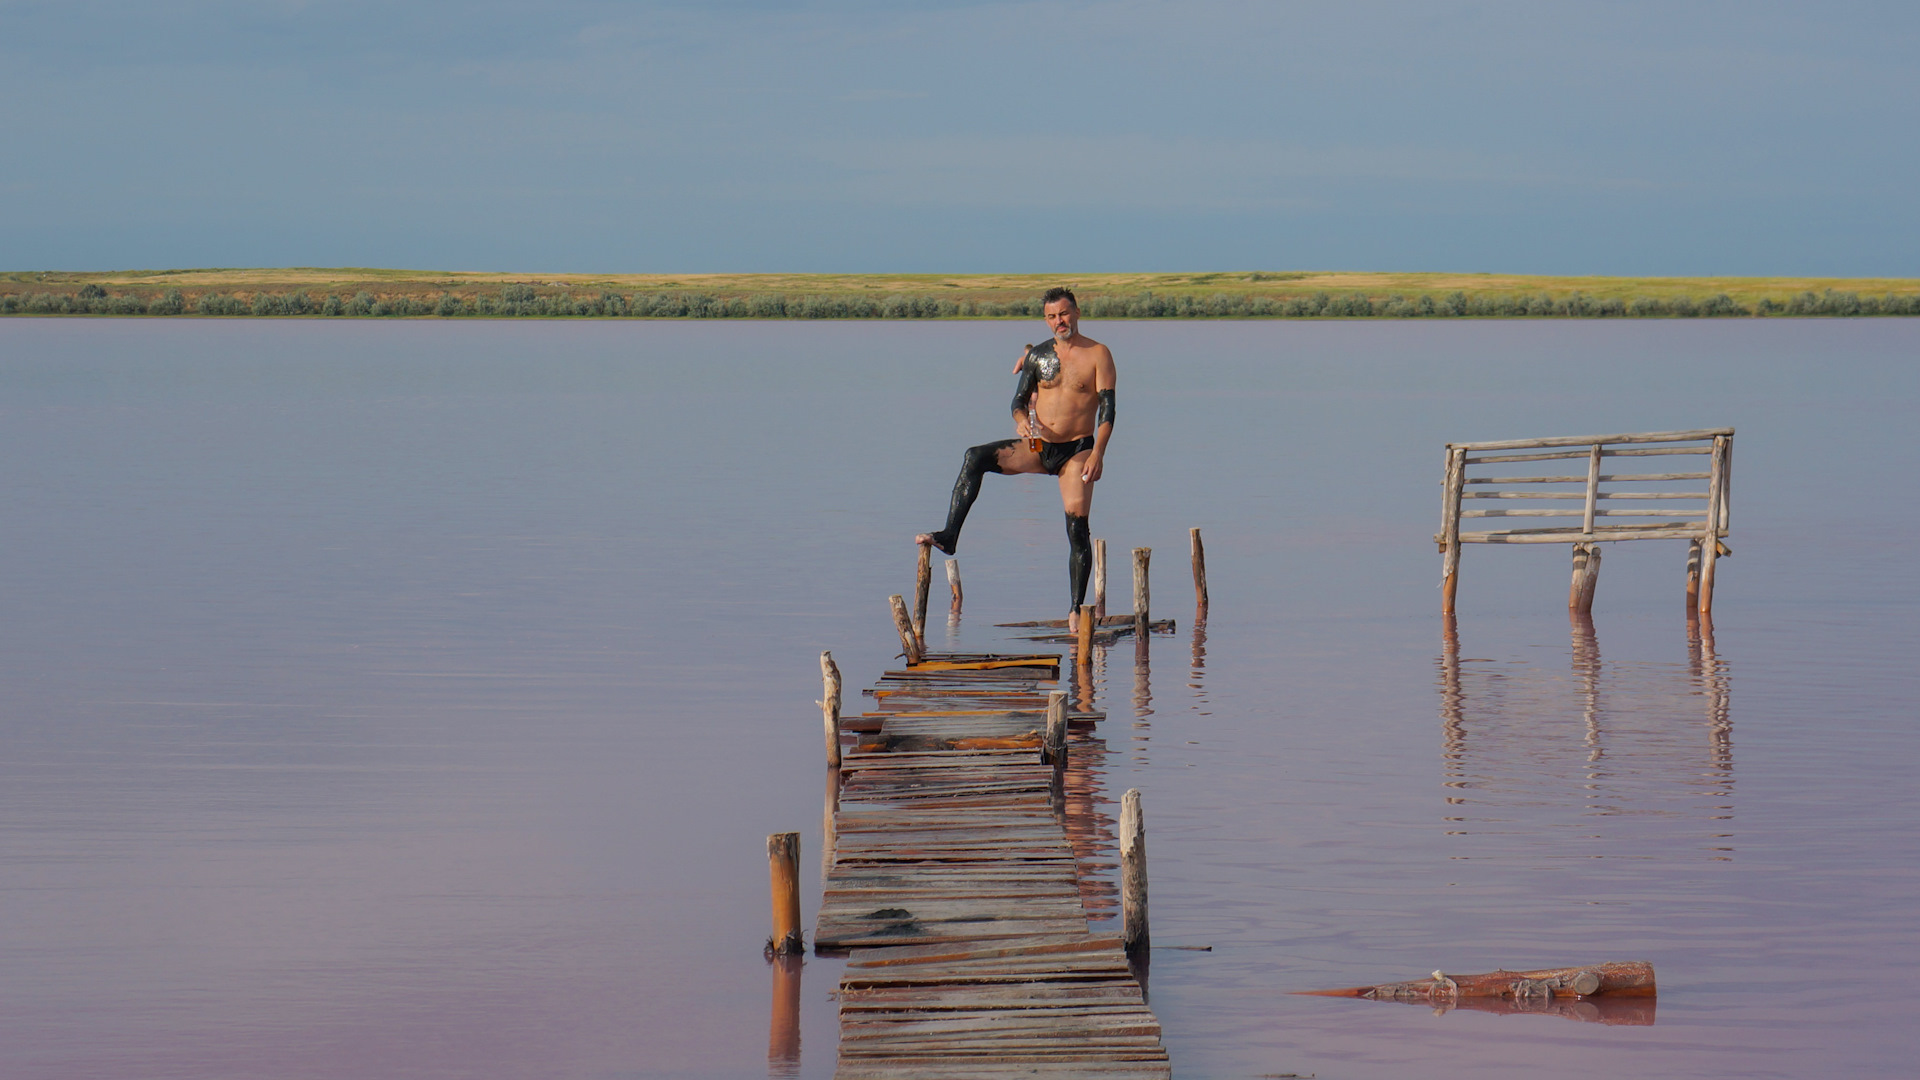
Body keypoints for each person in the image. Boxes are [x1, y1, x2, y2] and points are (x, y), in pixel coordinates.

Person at [915, 287, 1117, 628]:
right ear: (1046, 319)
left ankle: (1074, 609)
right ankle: (949, 536)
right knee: (975, 457)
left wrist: (1098, 453)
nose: (1059, 321)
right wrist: (1022, 422)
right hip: (1039, 447)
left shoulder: (1098, 354)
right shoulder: (1038, 356)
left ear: (1077, 312)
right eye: (1052, 316)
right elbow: (1018, 401)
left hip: (1077, 451)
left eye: (1064, 314)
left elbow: (1109, 410)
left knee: (1076, 528)